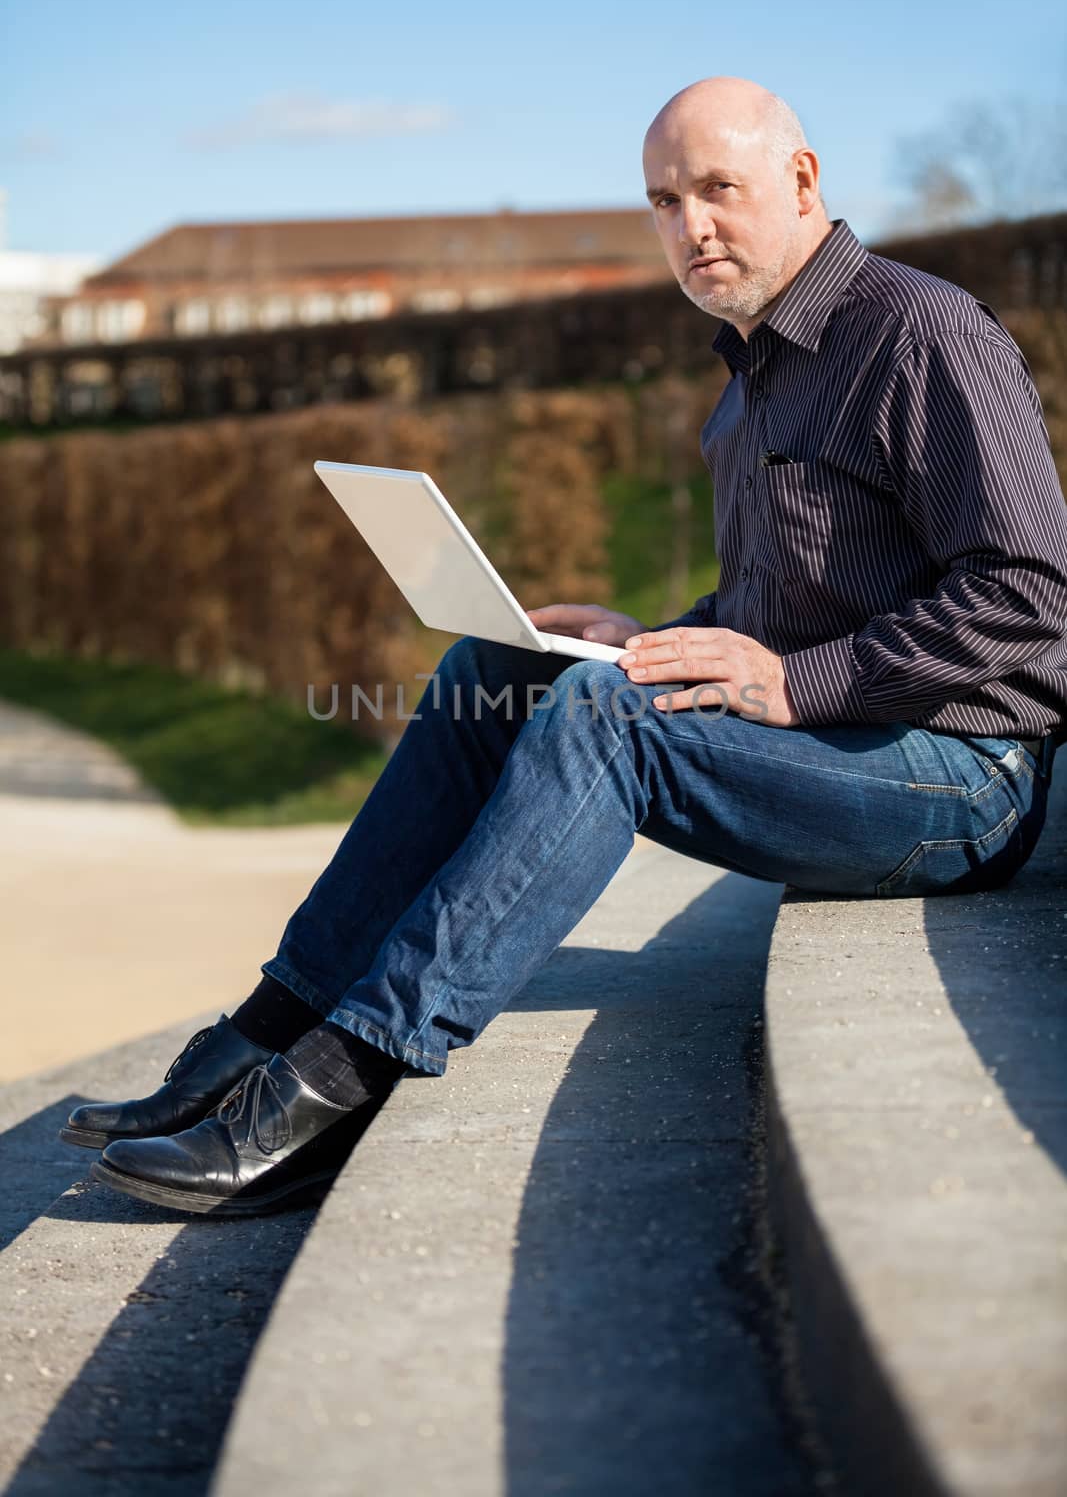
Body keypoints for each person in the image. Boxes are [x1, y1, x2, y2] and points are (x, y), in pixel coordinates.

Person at [68, 76, 1067, 1217]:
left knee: (603, 725)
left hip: (960, 773)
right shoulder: (744, 385)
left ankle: (339, 1087)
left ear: (801, 182)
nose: (688, 226)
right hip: (844, 743)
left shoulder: (919, 333)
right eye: (661, 200)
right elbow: (785, 601)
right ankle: (269, 1030)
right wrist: (654, 639)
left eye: (716, 190)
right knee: (504, 667)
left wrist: (795, 681)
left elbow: (1027, 596)